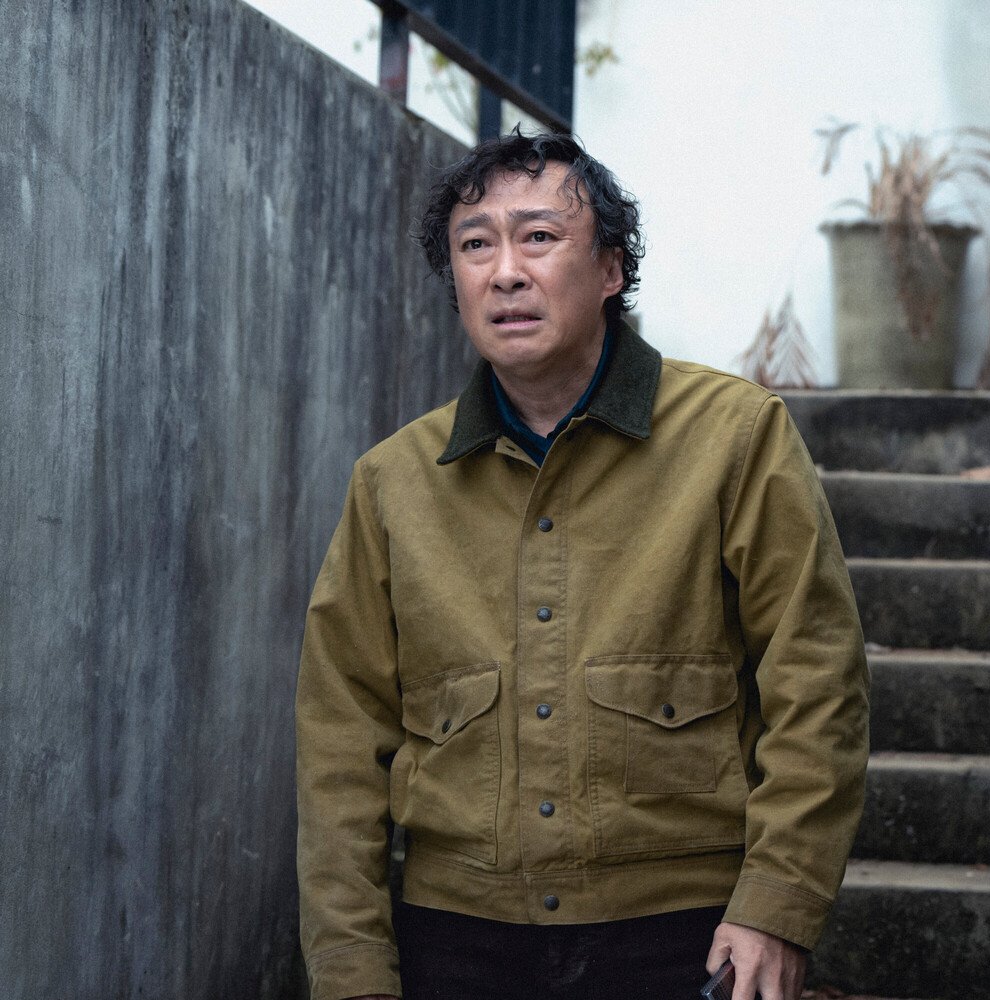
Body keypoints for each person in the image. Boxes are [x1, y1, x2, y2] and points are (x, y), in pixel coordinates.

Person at [295, 129, 869, 1000]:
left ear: (609, 269)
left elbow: (817, 679)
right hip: (456, 940)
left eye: (539, 236)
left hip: (683, 932)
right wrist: (351, 969)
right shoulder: (391, 482)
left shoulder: (735, 437)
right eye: (475, 245)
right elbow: (340, 739)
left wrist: (778, 906)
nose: (506, 272)